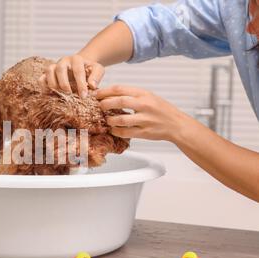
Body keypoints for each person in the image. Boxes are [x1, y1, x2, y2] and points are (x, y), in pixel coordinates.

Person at [39, 0, 259, 202]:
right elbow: (157, 26)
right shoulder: (238, 7)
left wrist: (178, 127)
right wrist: (86, 58)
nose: (249, 27)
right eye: (253, 4)